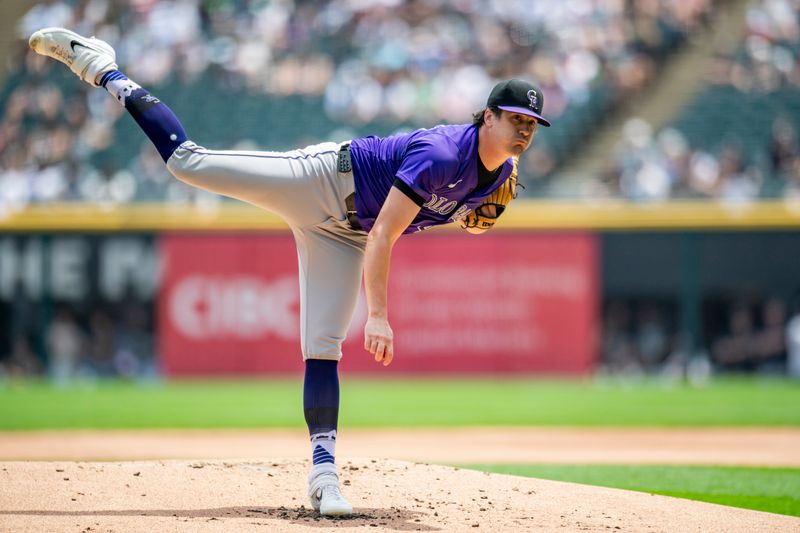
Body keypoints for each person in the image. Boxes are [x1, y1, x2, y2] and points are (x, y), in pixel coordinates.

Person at [28, 27, 550, 516]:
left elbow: (443, 220)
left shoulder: (500, 173)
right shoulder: (440, 153)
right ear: (487, 117)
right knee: (187, 162)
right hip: (321, 179)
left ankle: (324, 477)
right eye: (514, 119)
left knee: (322, 345)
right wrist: (379, 316)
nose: (524, 129)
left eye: (531, 123)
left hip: (344, 234)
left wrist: (466, 214)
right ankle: (102, 66)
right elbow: (386, 235)